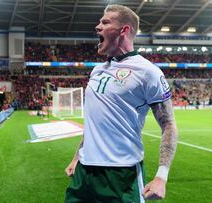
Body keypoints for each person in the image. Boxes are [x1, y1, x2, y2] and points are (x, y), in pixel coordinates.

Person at [65, 4, 178, 202]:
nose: (97, 26)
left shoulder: (148, 72)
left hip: (122, 174)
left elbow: (168, 124)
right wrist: (77, 156)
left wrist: (162, 176)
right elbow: (94, 122)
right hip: (84, 172)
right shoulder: (97, 70)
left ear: (124, 30)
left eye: (105, 22)